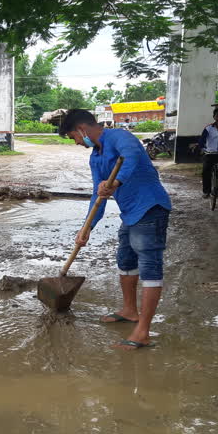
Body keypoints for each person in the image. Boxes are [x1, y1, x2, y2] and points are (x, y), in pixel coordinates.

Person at [60, 109, 172, 350]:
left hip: (151, 207)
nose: (77, 143)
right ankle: (130, 311)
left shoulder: (120, 138)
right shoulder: (95, 157)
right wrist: (86, 228)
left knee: (149, 266)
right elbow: (96, 195)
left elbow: (130, 157)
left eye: (74, 137)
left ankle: (142, 331)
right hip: (130, 213)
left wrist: (116, 182)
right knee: (125, 260)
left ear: (81, 129)